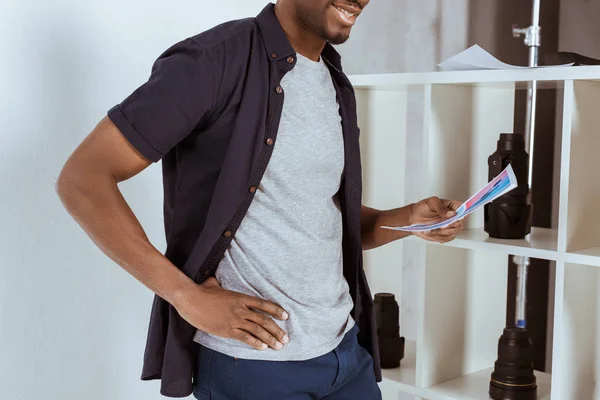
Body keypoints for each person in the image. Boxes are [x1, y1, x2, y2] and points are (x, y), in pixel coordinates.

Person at [56, 1, 464, 399]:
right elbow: (83, 178)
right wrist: (184, 295)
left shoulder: (333, 79)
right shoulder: (211, 61)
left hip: (344, 353)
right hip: (252, 368)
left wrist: (410, 219)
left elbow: (318, 215)